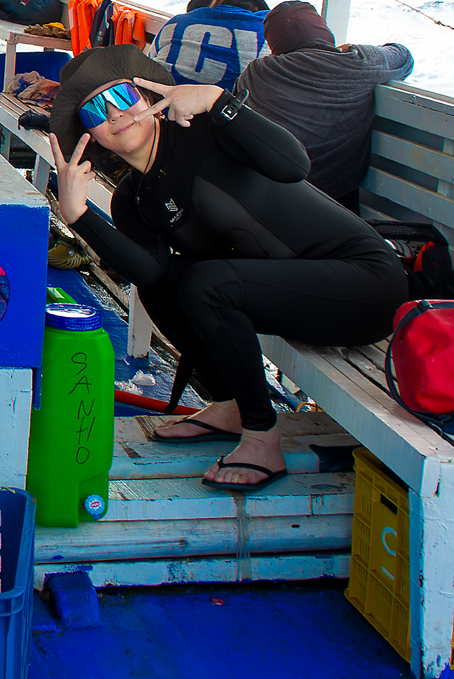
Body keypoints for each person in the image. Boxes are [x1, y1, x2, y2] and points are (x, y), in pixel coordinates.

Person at [47, 45, 408, 493]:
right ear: (92, 136)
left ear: (149, 99)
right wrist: (80, 216)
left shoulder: (203, 131)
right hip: (292, 294)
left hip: (364, 284)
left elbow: (295, 165)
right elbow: (152, 277)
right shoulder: (131, 199)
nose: (115, 114)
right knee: (166, 283)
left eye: (122, 96)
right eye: (95, 111)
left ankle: (261, 436)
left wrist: (221, 102)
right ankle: (228, 405)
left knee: (207, 282)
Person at [232, 1, 414, 213]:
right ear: (323, 30)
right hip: (334, 203)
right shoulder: (360, 63)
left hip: (265, 195)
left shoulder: (257, 71)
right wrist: (350, 50)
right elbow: (404, 56)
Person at [147, 0, 269, 91]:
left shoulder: (177, 22)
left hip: (155, 100)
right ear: (257, 7)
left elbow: (150, 61)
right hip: (225, 105)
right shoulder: (267, 34)